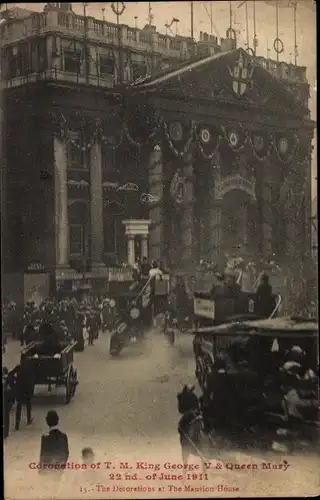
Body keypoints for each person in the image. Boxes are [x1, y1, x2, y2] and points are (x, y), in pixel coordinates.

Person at [13, 363, 34, 430]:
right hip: (26, 390)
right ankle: (28, 419)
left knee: (19, 407)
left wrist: (15, 379)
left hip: (19, 390)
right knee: (28, 405)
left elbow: (11, 374)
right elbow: (31, 381)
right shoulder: (29, 368)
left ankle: (17, 423)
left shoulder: (18, 367)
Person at [3, 367, 15, 439]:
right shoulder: (9, 379)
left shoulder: (6, 383)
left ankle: (6, 433)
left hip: (6, 404)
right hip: (7, 404)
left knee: (6, 418)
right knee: (6, 419)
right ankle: (6, 433)